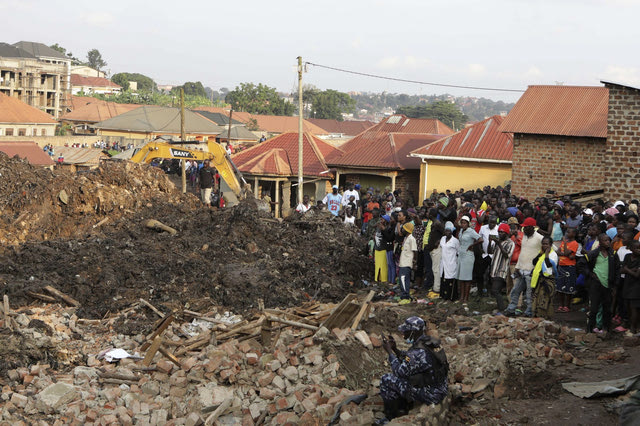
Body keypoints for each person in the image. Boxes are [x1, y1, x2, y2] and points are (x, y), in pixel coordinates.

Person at [379, 317, 448, 422]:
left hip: (431, 393)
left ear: (413, 332)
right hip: (440, 387)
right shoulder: (428, 342)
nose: (403, 335)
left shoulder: (416, 352)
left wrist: (389, 352)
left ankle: (392, 417)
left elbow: (399, 372)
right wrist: (395, 349)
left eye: (406, 332)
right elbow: (410, 359)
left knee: (386, 379)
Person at [504, 217, 543, 317]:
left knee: (530, 294)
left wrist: (539, 261)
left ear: (532, 227)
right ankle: (511, 308)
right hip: (521, 269)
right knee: (515, 291)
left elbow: (551, 249)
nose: (523, 229)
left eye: (525, 227)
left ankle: (529, 311)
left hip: (531, 271)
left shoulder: (539, 238)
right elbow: (522, 253)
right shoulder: (524, 237)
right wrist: (517, 267)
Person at [581, 234, 618, 334]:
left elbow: (617, 270)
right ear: (600, 242)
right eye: (605, 241)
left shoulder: (613, 254)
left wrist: (615, 286)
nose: (607, 242)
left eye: (608, 240)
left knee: (607, 309)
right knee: (594, 308)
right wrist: (590, 274)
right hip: (596, 284)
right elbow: (581, 263)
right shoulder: (594, 253)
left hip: (608, 285)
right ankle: (590, 329)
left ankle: (605, 328)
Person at [488, 224, 515, 313]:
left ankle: (502, 309)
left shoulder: (510, 243)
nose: (499, 234)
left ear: (506, 233)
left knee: (495, 290)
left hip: (501, 270)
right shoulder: (497, 242)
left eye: (502, 232)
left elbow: (507, 255)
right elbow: (489, 251)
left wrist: (499, 244)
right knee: (496, 291)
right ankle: (500, 307)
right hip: (494, 269)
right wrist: (489, 242)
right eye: (499, 232)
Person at [457, 216, 483, 305]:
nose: (463, 224)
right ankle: (461, 297)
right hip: (461, 255)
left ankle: (466, 298)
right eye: (462, 223)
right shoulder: (461, 231)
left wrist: (472, 245)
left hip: (468, 255)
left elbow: (480, 239)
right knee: (461, 277)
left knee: (467, 277)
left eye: (465, 223)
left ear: (468, 224)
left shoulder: (471, 231)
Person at [531, 236, 558, 319]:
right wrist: (541, 254)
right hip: (539, 280)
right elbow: (534, 262)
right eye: (543, 244)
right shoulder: (541, 253)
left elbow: (549, 265)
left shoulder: (553, 254)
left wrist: (546, 254)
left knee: (544, 299)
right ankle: (537, 317)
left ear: (550, 245)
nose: (544, 246)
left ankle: (545, 317)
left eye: (546, 244)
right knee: (537, 298)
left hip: (548, 281)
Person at [556, 227, 579, 312]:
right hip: (561, 266)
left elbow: (565, 252)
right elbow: (558, 252)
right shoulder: (564, 242)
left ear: (574, 234)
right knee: (560, 286)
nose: (566, 233)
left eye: (569, 232)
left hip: (569, 267)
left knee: (569, 287)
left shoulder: (574, 243)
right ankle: (561, 305)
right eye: (567, 231)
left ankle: (567, 306)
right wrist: (565, 254)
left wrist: (565, 247)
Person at [424, 208, 445, 297]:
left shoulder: (438, 224)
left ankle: (437, 289)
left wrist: (439, 241)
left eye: (428, 212)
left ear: (431, 215)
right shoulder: (433, 223)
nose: (426, 213)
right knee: (434, 269)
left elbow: (445, 232)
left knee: (436, 269)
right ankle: (435, 287)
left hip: (436, 249)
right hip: (432, 249)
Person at [621, 240, 640, 336]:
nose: (639, 250)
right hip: (627, 285)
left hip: (636, 287)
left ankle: (633, 328)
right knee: (627, 306)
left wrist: (627, 269)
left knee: (634, 308)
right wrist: (631, 270)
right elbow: (621, 270)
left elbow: (637, 275)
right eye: (637, 248)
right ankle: (630, 325)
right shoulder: (627, 256)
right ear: (631, 248)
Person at [398, 222, 418, 304]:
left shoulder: (411, 239)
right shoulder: (406, 238)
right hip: (403, 262)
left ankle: (405, 296)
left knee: (403, 279)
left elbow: (415, 251)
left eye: (403, 228)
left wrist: (414, 262)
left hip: (407, 263)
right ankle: (405, 295)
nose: (402, 230)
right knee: (404, 280)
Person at [439, 221, 460, 301]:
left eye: (449, 231)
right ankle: (444, 297)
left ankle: (451, 298)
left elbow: (458, 252)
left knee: (450, 280)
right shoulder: (442, 239)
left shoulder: (455, 241)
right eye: (446, 230)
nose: (447, 232)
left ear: (452, 231)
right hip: (443, 263)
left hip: (451, 263)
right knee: (444, 280)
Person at [374, 216, 393, 283]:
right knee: (377, 265)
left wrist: (383, 229)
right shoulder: (377, 227)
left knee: (383, 266)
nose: (381, 220)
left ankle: (384, 280)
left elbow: (389, 238)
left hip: (383, 249)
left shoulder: (388, 228)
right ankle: (377, 279)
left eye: (383, 219)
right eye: (381, 219)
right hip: (377, 249)